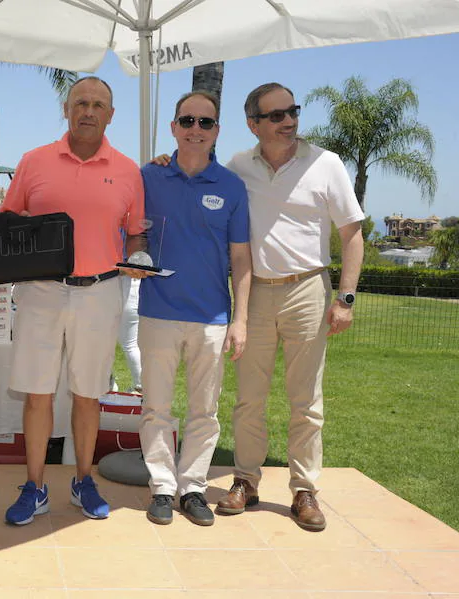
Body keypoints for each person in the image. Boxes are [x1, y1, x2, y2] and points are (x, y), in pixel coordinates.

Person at [217, 82, 364, 531]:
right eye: (277, 115)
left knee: (306, 400)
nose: (289, 121)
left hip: (308, 290)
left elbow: (352, 235)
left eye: (293, 112)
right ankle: (245, 480)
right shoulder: (238, 166)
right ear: (253, 124)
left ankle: (304, 490)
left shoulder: (327, 164)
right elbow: (200, 186)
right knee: (249, 399)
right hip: (254, 293)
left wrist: (345, 298)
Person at [0, 76, 146, 526]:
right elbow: (8, 218)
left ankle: (84, 480)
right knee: (38, 394)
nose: (88, 111)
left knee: (88, 395)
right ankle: (35, 486)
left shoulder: (127, 170)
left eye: (98, 104)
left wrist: (139, 253)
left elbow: (136, 230)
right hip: (41, 290)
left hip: (100, 293)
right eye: (80, 102)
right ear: (66, 110)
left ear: (110, 115)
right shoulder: (34, 161)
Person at [138, 92, 252, 527]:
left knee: (204, 412)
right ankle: (162, 488)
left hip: (212, 318)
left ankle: (193, 488)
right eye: (187, 120)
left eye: (205, 123)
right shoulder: (149, 175)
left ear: (217, 132)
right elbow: (128, 231)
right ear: (173, 128)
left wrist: (240, 319)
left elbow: (241, 259)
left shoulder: (231, 187)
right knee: (156, 409)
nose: (195, 129)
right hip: (157, 312)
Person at [115, 276, 142, 393]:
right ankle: (140, 385)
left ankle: (140, 386)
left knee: (130, 345)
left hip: (121, 289)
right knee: (131, 344)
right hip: (136, 289)